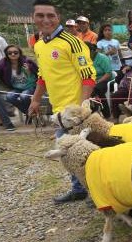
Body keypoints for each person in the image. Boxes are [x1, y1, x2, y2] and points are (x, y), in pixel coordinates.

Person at [29, 0, 96, 203]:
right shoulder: (39, 45)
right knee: (68, 153)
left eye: (50, 15)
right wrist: (35, 100)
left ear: (58, 17)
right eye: (40, 15)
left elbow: (88, 75)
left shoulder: (72, 42)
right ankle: (79, 189)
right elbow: (43, 76)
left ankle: (97, 192)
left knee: (87, 152)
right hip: (58, 111)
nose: (46, 20)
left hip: (75, 112)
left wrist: (81, 108)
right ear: (34, 18)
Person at [0, 45, 39, 120]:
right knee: (9, 97)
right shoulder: (3, 65)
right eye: (10, 53)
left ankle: (30, 114)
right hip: (16, 88)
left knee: (24, 96)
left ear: (19, 53)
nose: (13, 54)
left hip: (30, 86)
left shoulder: (26, 63)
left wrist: (29, 71)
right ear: (6, 54)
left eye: (15, 52)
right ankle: (29, 113)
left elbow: (34, 79)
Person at [86, 43, 112, 118]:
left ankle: (106, 114)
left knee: (97, 89)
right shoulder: (84, 59)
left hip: (104, 79)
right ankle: (91, 113)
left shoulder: (102, 58)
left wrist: (97, 81)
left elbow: (108, 73)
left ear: (93, 51)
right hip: (91, 79)